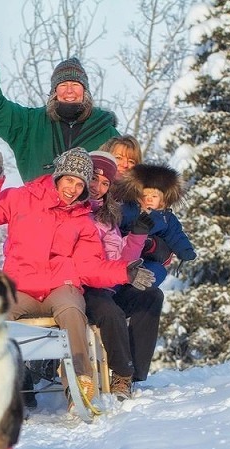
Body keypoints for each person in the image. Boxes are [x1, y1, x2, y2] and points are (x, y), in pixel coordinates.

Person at [0, 146, 154, 410]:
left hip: (60, 286)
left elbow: (90, 267)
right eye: (69, 180)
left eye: (80, 184)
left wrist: (124, 271)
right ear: (58, 176)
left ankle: (80, 383)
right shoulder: (21, 198)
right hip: (20, 286)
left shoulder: (82, 221)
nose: (73, 189)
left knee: (73, 310)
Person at [0, 24, 120, 182]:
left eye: (76, 85)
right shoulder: (29, 124)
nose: (69, 91)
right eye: (63, 85)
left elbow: (128, 174)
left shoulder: (106, 133)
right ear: (54, 92)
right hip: (36, 205)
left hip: (89, 206)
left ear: (85, 92)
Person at [85, 151, 164, 398]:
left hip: (109, 283)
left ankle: (135, 374)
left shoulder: (107, 217)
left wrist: (138, 235)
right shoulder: (74, 211)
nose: (98, 187)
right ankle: (122, 373)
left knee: (151, 295)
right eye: (93, 179)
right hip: (84, 287)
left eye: (105, 183)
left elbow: (122, 259)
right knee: (110, 310)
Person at [116, 164, 197, 286]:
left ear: (163, 200)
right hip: (125, 251)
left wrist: (185, 250)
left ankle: (144, 289)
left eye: (154, 196)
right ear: (138, 197)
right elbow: (116, 223)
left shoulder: (166, 218)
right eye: (145, 196)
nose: (149, 199)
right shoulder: (130, 210)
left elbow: (176, 235)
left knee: (157, 271)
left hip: (149, 258)